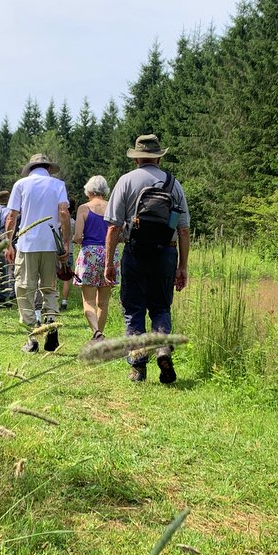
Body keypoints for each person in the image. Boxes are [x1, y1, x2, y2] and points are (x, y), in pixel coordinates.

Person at [104, 134, 190, 384]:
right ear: (159, 157)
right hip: (166, 253)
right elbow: (183, 229)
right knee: (161, 307)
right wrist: (182, 266)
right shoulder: (174, 184)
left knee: (134, 310)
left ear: (138, 157)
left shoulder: (126, 181)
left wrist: (109, 263)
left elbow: (113, 228)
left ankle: (138, 369)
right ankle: (162, 347)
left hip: (135, 253)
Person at [4, 153, 71, 352]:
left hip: (27, 244)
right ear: (48, 168)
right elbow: (64, 213)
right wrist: (65, 243)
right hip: (51, 244)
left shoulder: (21, 184)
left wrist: (8, 244)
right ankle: (51, 326)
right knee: (49, 287)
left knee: (25, 288)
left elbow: (11, 217)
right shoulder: (58, 185)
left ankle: (32, 336)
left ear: (31, 168)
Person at [74, 176, 115, 340]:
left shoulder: (83, 208)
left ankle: (96, 332)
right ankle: (98, 338)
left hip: (89, 254)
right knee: (103, 303)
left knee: (88, 300)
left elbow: (77, 236)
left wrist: (83, 240)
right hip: (109, 255)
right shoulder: (112, 207)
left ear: (89, 191)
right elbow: (120, 233)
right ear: (105, 191)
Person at [60, 196, 78, 310]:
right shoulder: (73, 222)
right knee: (67, 278)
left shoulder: (58, 221)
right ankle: (64, 301)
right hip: (69, 251)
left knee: (52, 277)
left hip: (56, 251)